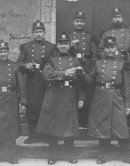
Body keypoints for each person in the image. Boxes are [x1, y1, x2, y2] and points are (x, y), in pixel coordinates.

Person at [86, 36, 130, 166]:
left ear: (116, 48)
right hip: (100, 96)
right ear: (104, 49)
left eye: (112, 47)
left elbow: (128, 86)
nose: (110, 50)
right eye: (107, 48)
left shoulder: (122, 64)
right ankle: (105, 154)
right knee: (102, 127)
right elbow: (90, 80)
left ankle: (128, 156)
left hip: (116, 96)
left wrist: (128, 104)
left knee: (121, 128)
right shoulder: (98, 63)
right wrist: (81, 75)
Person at [36, 33, 85, 165]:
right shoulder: (52, 60)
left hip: (70, 95)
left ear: (69, 46)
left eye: (66, 44)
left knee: (70, 126)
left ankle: (69, 155)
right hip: (55, 95)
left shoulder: (75, 60)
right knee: (54, 126)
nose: (63, 46)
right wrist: (63, 73)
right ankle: (53, 155)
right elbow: (46, 74)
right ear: (57, 45)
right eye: (61, 44)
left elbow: (80, 80)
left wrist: (81, 97)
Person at [17, 20, 56, 144]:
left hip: (46, 81)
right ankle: (32, 136)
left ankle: (45, 135)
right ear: (33, 33)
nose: (38, 34)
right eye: (36, 32)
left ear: (44, 32)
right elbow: (19, 64)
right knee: (32, 108)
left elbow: (56, 63)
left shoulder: (51, 47)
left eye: (40, 32)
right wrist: (26, 66)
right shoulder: (26, 47)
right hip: (32, 81)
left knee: (46, 108)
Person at [68, 11, 98, 128]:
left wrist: (92, 67)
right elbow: (63, 51)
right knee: (74, 91)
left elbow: (94, 53)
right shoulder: (69, 36)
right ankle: (74, 121)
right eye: (77, 21)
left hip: (86, 65)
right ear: (73, 22)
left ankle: (85, 121)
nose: (79, 23)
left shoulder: (89, 36)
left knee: (86, 92)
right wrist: (71, 46)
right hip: (73, 65)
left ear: (84, 22)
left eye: (81, 21)